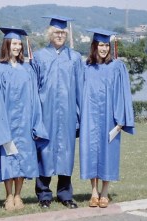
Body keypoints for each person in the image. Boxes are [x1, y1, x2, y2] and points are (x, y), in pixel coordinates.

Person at [0, 27, 49, 211]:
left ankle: (18, 195)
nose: (17, 46)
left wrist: (36, 124)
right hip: (6, 123)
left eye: (18, 44)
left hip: (25, 123)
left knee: (23, 159)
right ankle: (8, 196)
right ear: (7, 45)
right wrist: (0, 125)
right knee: (8, 159)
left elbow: (35, 99)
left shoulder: (27, 70)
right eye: (13, 43)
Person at [32, 15, 84, 209]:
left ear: (67, 34)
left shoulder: (76, 57)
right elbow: (34, 89)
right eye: (56, 32)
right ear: (49, 34)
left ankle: (65, 194)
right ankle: (43, 194)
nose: (59, 35)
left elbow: (80, 88)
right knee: (44, 152)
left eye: (63, 32)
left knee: (66, 153)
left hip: (68, 114)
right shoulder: (39, 57)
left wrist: (80, 116)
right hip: (45, 114)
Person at [80, 28, 135, 208]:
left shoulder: (117, 66)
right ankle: (94, 192)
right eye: (100, 45)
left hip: (110, 119)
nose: (103, 49)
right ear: (94, 47)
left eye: (106, 45)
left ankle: (105, 192)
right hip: (90, 118)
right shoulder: (86, 67)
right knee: (91, 153)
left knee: (107, 154)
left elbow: (124, 93)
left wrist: (121, 120)